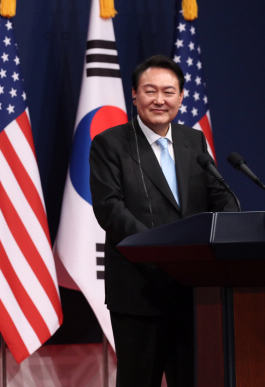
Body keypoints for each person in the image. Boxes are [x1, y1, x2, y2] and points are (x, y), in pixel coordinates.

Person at [89, 55, 236, 387]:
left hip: (195, 292)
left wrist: (228, 230)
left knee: (197, 379)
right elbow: (110, 209)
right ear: (134, 95)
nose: (159, 100)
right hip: (141, 290)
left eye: (168, 92)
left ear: (181, 97)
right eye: (150, 91)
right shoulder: (110, 144)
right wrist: (162, 256)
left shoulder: (193, 141)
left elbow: (221, 196)